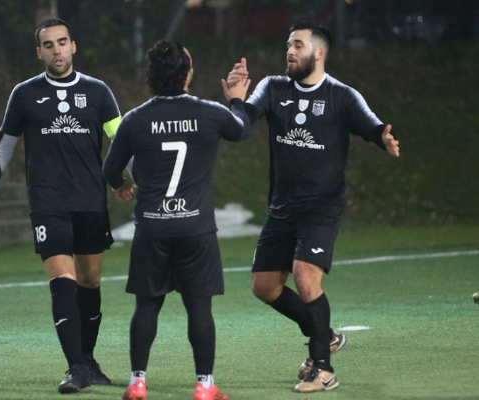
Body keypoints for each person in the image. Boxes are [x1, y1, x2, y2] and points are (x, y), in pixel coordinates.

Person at [224, 22, 400, 393]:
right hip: (282, 206)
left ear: (319, 52)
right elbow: (240, 126)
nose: (289, 51)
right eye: (288, 45)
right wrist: (236, 100)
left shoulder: (342, 95)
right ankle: (325, 335)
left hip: (322, 206)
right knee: (264, 287)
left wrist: (383, 138)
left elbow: (371, 126)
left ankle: (323, 369)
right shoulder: (273, 87)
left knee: (305, 277)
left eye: (298, 45)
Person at [0, 18, 122, 394]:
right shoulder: (25, 94)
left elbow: (120, 140)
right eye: (48, 45)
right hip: (47, 202)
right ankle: (75, 368)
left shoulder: (98, 91)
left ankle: (88, 360)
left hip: (90, 201)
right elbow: (4, 147)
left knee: (89, 282)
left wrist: (123, 179)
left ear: (73, 46)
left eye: (62, 42)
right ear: (40, 52)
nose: (57, 50)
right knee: (62, 282)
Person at [102, 40, 251, 400]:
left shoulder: (135, 119)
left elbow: (109, 169)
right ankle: (204, 385)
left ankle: (137, 382)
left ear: (151, 77)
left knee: (146, 306)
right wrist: (236, 99)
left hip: (152, 227)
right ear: (187, 74)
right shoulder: (209, 112)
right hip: (196, 227)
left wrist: (122, 184)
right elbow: (241, 129)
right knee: (199, 307)